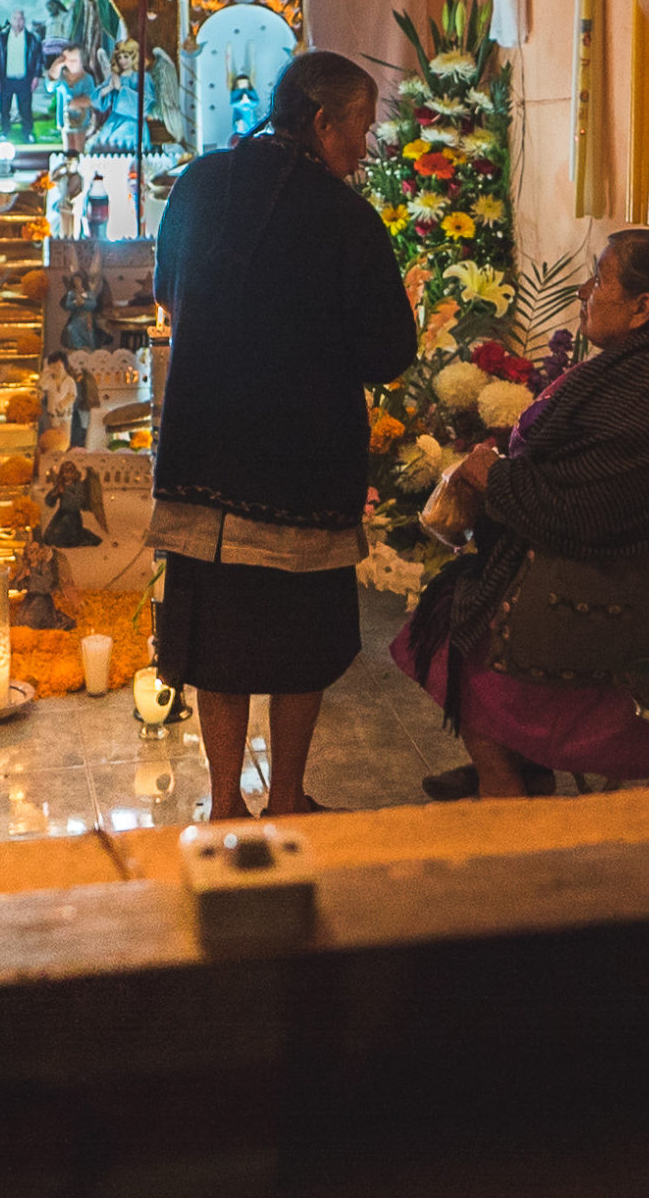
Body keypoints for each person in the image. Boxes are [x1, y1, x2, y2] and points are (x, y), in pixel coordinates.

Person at [148, 51, 418, 820]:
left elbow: (168, 292)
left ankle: (225, 799)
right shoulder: (346, 218)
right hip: (303, 464)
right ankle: (289, 796)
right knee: (300, 645)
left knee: (218, 644)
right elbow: (387, 353)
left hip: (204, 449)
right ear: (322, 119)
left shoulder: (199, 183)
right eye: (360, 129)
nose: (363, 150)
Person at [394, 230, 649, 800]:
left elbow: (581, 511)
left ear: (643, 308)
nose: (585, 290)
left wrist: (494, 476)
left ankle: (503, 781)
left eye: (600, 279)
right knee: (475, 580)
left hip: (635, 598)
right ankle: (525, 766)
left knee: (450, 615)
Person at [0, 8, 43, 142]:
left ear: (24, 21)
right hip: (5, 80)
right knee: (4, 108)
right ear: (11, 20)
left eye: (21, 19)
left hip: (24, 80)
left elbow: (39, 59)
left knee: (25, 109)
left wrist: (36, 77)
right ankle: (4, 131)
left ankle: (27, 133)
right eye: (15, 18)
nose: (18, 22)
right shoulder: (0, 38)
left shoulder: (33, 39)